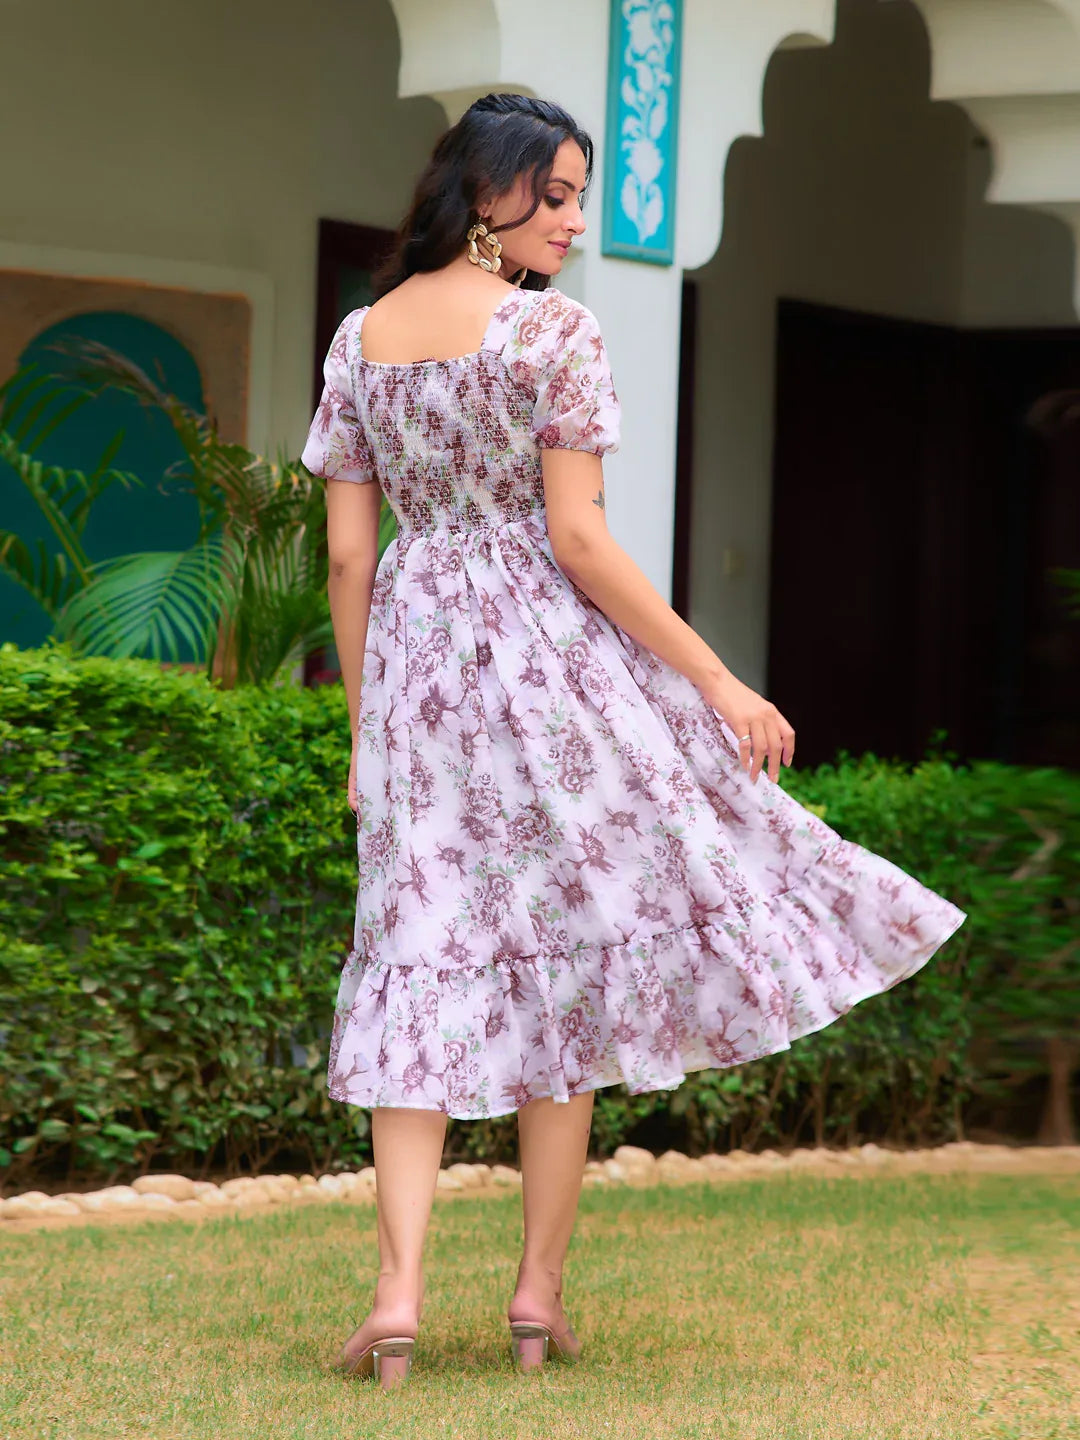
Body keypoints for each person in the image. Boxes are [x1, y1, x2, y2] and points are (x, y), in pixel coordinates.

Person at [301, 92, 967, 1389]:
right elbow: (583, 543)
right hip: (549, 685)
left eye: (577, 197)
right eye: (550, 195)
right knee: (569, 966)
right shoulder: (552, 335)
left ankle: (396, 1295)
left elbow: (345, 553)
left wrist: (367, 730)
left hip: (420, 688)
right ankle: (535, 1300)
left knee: (416, 958)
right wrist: (718, 680)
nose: (569, 221)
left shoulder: (359, 337)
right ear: (484, 193)